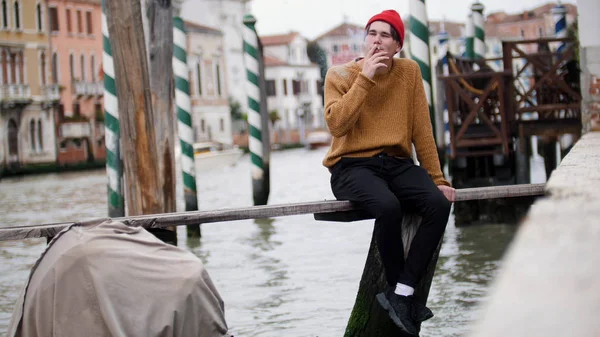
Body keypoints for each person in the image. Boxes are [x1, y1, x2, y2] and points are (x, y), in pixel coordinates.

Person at [322, 9, 455, 336]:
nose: (377, 40)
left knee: (438, 205)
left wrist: (438, 179)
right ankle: (399, 290)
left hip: (396, 164)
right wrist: (365, 77)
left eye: (385, 35)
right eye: (372, 33)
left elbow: (422, 131)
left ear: (397, 45)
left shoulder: (409, 73)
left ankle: (402, 292)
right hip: (350, 166)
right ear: (365, 40)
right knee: (388, 206)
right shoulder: (339, 75)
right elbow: (337, 125)